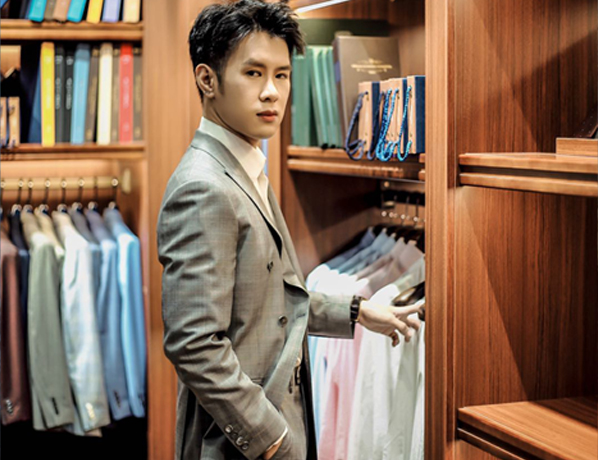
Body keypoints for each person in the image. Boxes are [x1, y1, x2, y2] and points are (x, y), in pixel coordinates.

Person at [157, 1, 423, 459]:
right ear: (207, 80)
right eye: (253, 73)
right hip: (239, 444)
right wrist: (273, 441)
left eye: (281, 75)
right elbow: (194, 344)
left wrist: (357, 311)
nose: (271, 93)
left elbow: (266, 300)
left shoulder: (244, 169)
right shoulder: (204, 187)